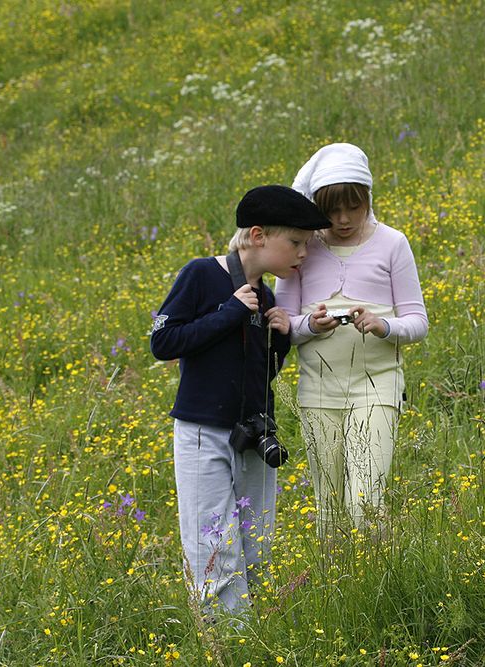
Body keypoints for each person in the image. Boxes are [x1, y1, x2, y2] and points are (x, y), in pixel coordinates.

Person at [150, 184, 330, 615]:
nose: (303, 253)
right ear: (257, 235)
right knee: (213, 541)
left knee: (256, 540)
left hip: (252, 433)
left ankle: (254, 638)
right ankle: (225, 645)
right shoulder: (200, 274)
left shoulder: (266, 297)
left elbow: (260, 373)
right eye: (296, 242)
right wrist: (228, 312)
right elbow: (163, 341)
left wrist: (282, 337)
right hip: (202, 431)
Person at [275, 143, 428, 534]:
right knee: (328, 507)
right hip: (318, 391)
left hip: (377, 387)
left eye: (353, 207)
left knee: (365, 502)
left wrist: (383, 326)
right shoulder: (302, 248)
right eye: (331, 210)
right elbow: (281, 324)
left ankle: (378, 583)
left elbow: (418, 321)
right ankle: (337, 587)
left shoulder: (393, 243)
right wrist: (311, 325)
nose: (343, 219)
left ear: (368, 199)